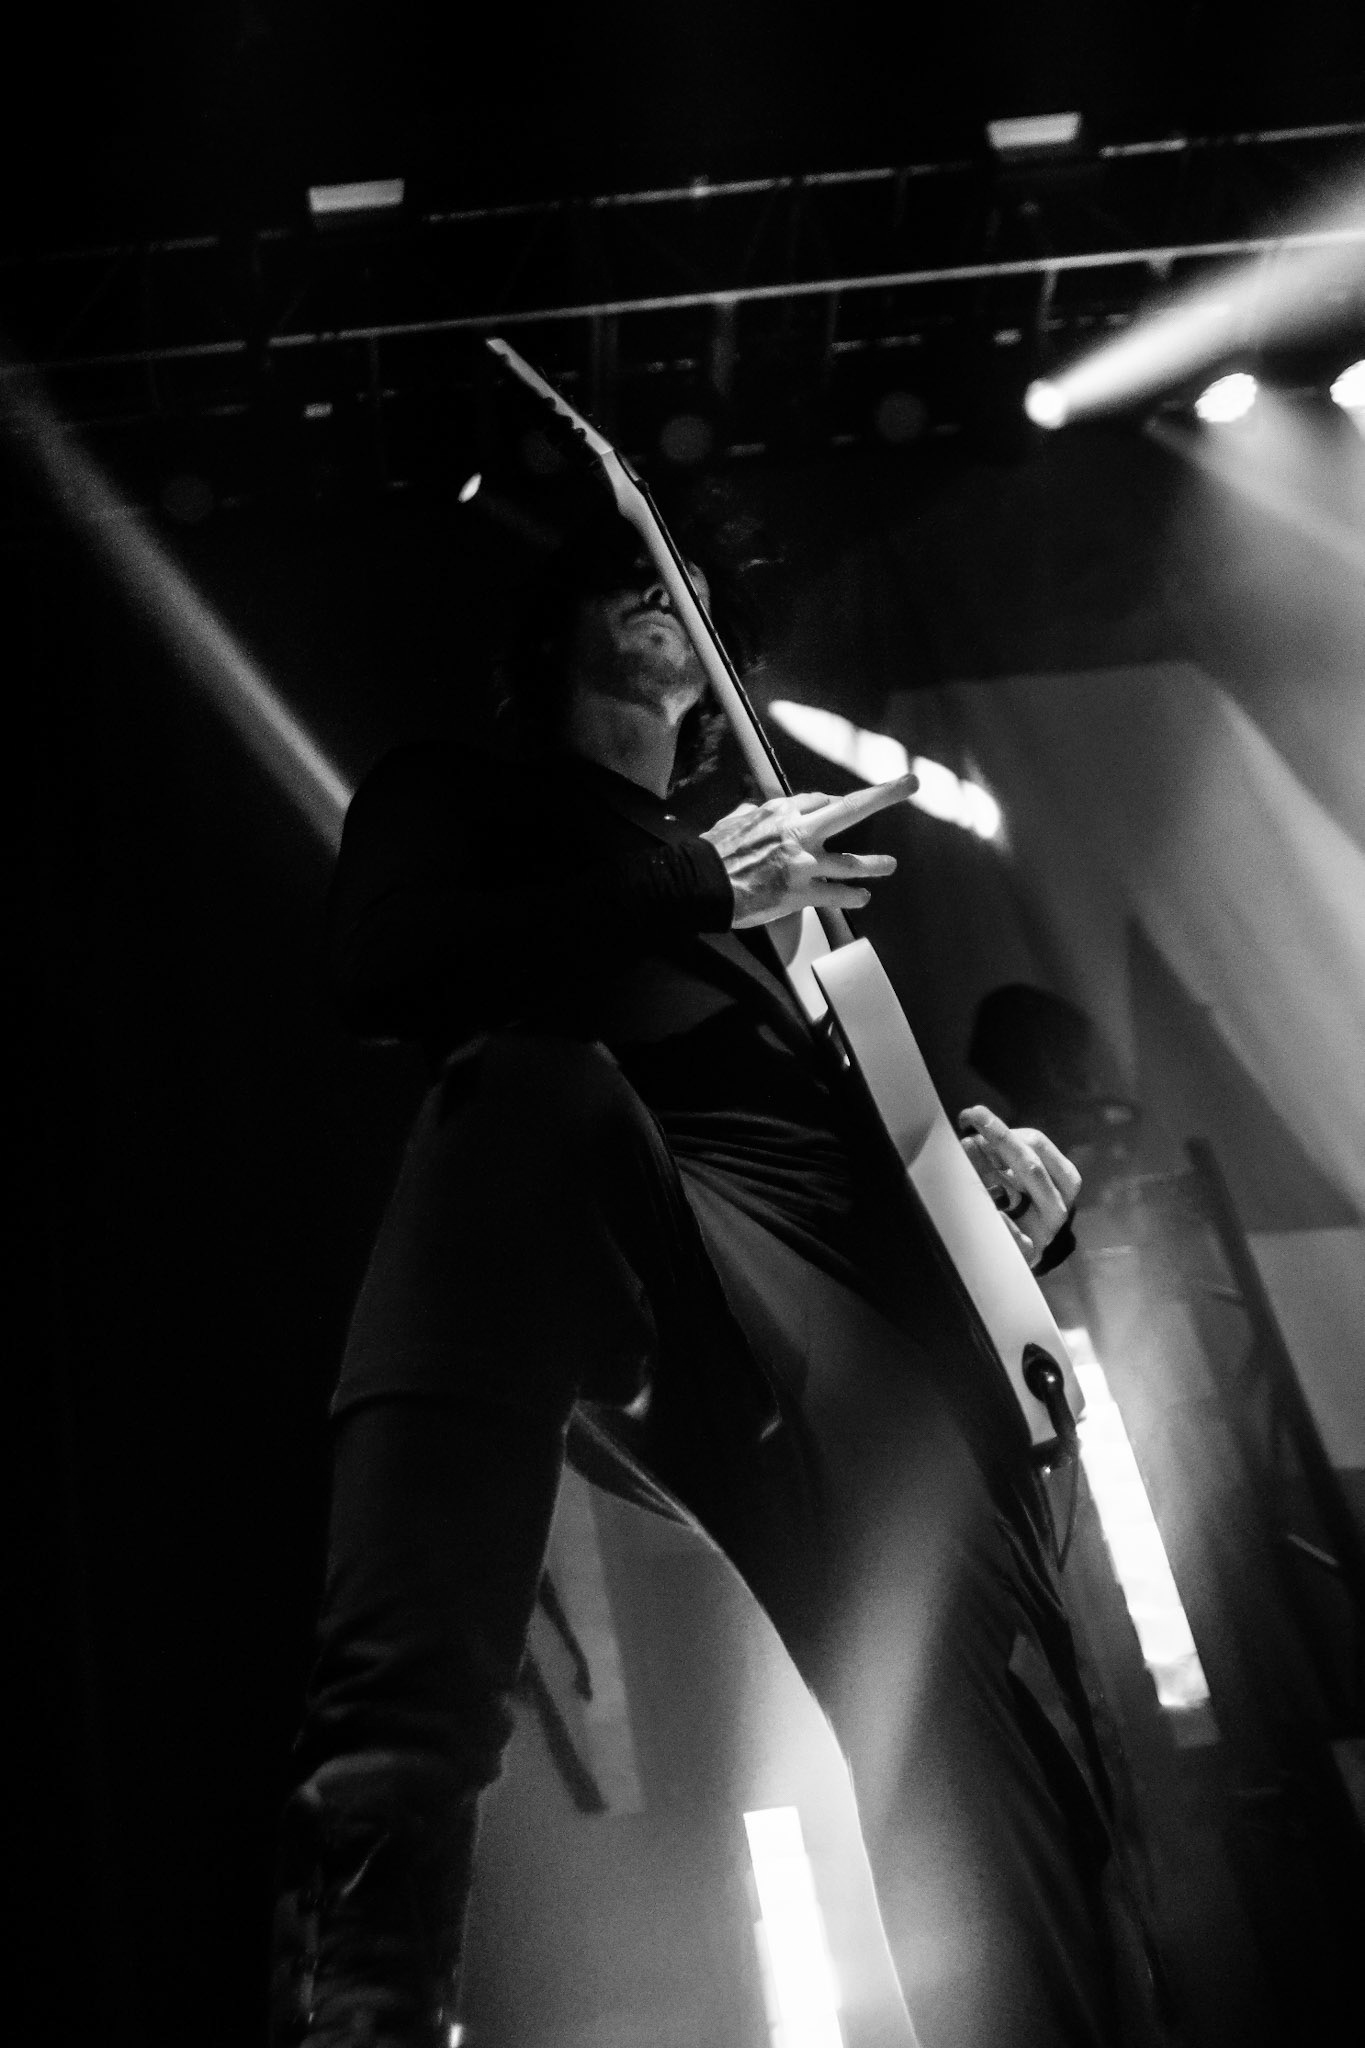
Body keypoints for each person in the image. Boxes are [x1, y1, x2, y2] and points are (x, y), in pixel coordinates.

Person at [269, 504, 1157, 2048]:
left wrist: (1002, 1203)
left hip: (870, 1350)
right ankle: (377, 1921)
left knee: (1015, 1820)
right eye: (622, 571)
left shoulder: (784, 899)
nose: (655, 587)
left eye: (681, 579)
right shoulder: (473, 800)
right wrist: (688, 883)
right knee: (523, 1093)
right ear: (549, 628)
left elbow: (862, 1147)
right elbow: (380, 971)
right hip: (649, 1244)